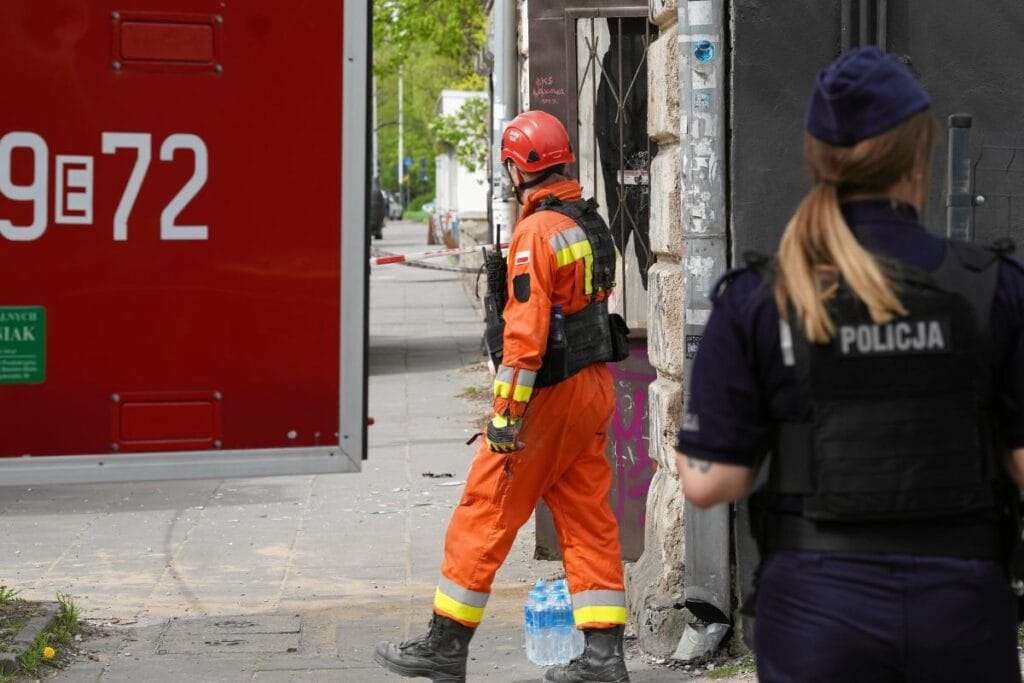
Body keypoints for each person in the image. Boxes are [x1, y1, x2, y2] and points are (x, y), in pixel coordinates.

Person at [675, 46, 1024, 682]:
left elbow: (708, 483)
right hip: (961, 608)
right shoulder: (993, 289)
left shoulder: (762, 298)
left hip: (816, 613)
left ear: (817, 158)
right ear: (923, 151)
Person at [374, 109, 631, 683]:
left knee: (484, 511)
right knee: (589, 519)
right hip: (591, 388)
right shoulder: (587, 222)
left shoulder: (535, 233)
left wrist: (504, 420)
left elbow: (525, 340)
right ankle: (603, 659)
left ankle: (445, 647)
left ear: (519, 168)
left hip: (548, 396)